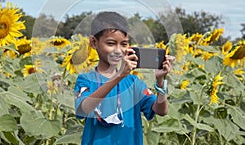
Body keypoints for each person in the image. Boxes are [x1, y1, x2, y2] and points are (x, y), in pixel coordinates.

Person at [74, 11, 174, 145]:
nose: (118, 50)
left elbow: (161, 110)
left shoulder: (133, 82)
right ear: (93, 42)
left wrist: (160, 82)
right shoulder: (86, 80)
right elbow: (82, 109)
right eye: (111, 43)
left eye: (124, 44)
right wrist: (119, 75)